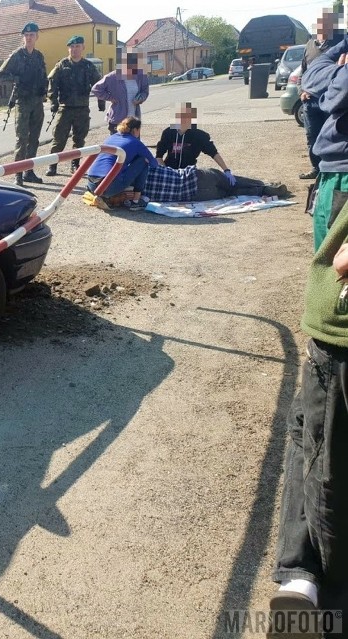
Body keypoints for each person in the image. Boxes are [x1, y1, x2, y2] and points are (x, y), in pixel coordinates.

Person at [268, 32, 348, 632]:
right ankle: (301, 570)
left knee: (321, 440)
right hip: (333, 186)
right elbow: (300, 103)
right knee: (310, 429)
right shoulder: (327, 62)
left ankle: (313, 579)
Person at [0, 22, 47, 186]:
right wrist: (17, 79)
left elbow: (44, 76)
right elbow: (1, 74)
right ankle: (18, 174)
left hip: (37, 102)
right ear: (23, 37)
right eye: (26, 35)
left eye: (32, 35)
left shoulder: (39, 56)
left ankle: (29, 171)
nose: (29, 38)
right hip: (23, 102)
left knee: (34, 139)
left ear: (37, 37)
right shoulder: (17, 55)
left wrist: (44, 90)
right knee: (22, 139)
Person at [44, 35, 101, 176]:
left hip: (82, 108)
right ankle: (52, 165)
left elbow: (98, 85)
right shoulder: (62, 65)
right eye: (72, 47)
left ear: (83, 48)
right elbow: (52, 84)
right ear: (68, 48)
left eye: (77, 46)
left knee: (79, 139)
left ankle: (75, 165)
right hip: (65, 108)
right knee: (59, 139)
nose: (74, 50)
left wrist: (101, 101)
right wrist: (53, 102)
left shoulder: (88, 66)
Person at [298, 8, 341, 180]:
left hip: (329, 99)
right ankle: (316, 168)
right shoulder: (310, 45)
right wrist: (302, 91)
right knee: (312, 136)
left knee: (331, 136)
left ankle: (330, 169)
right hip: (309, 101)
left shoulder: (337, 45)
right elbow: (303, 71)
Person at [85, 116, 156, 210]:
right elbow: (154, 164)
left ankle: (105, 197)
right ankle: (136, 201)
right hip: (107, 186)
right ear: (135, 130)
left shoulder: (111, 138)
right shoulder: (136, 142)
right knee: (143, 161)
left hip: (91, 184)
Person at [155, 102, 235, 183]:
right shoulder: (168, 132)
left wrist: (226, 170)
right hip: (169, 170)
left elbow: (214, 153)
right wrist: (166, 173)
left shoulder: (199, 135)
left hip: (188, 173)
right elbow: (159, 157)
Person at [143, 163, 289, 202]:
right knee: (233, 181)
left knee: (230, 193)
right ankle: (267, 185)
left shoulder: (137, 192)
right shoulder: (145, 166)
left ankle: (261, 191)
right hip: (196, 177)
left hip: (196, 196)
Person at [91, 50, 150, 133]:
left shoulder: (141, 76)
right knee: (117, 144)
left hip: (134, 120)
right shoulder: (112, 77)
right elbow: (96, 89)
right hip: (118, 120)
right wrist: (110, 97)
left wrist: (141, 98)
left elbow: (145, 91)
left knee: (133, 144)